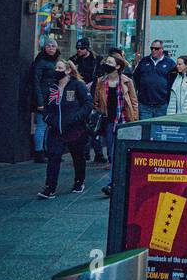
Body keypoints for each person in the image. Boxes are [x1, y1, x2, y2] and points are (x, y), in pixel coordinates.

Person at [38, 60, 92, 199]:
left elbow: (87, 104)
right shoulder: (52, 88)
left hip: (74, 130)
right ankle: (50, 188)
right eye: (55, 67)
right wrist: (48, 119)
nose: (56, 70)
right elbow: (46, 107)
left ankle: (79, 181)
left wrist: (76, 118)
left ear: (68, 70)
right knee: (53, 157)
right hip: (55, 129)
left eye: (60, 68)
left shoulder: (77, 85)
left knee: (77, 156)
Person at [93, 54, 139, 196]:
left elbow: (134, 102)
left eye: (110, 62)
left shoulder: (126, 81)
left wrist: (135, 121)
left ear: (118, 66)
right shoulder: (101, 81)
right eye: (107, 61)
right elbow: (96, 102)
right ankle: (119, 181)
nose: (107, 64)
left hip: (124, 121)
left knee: (120, 152)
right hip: (108, 122)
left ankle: (112, 184)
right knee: (112, 155)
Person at [30, 34, 62, 162]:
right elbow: (35, 82)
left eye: (53, 45)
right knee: (42, 125)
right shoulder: (40, 62)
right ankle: (39, 152)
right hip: (43, 98)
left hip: (53, 98)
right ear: (44, 48)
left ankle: (47, 150)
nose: (50, 48)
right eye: (48, 45)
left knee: (50, 126)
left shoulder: (56, 62)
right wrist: (39, 101)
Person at [132, 38, 176, 119]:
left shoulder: (170, 63)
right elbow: (136, 77)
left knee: (159, 129)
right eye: (152, 48)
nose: (153, 50)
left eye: (156, 48)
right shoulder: (144, 61)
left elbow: (173, 81)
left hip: (162, 104)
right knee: (145, 128)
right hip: (144, 104)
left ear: (162, 49)